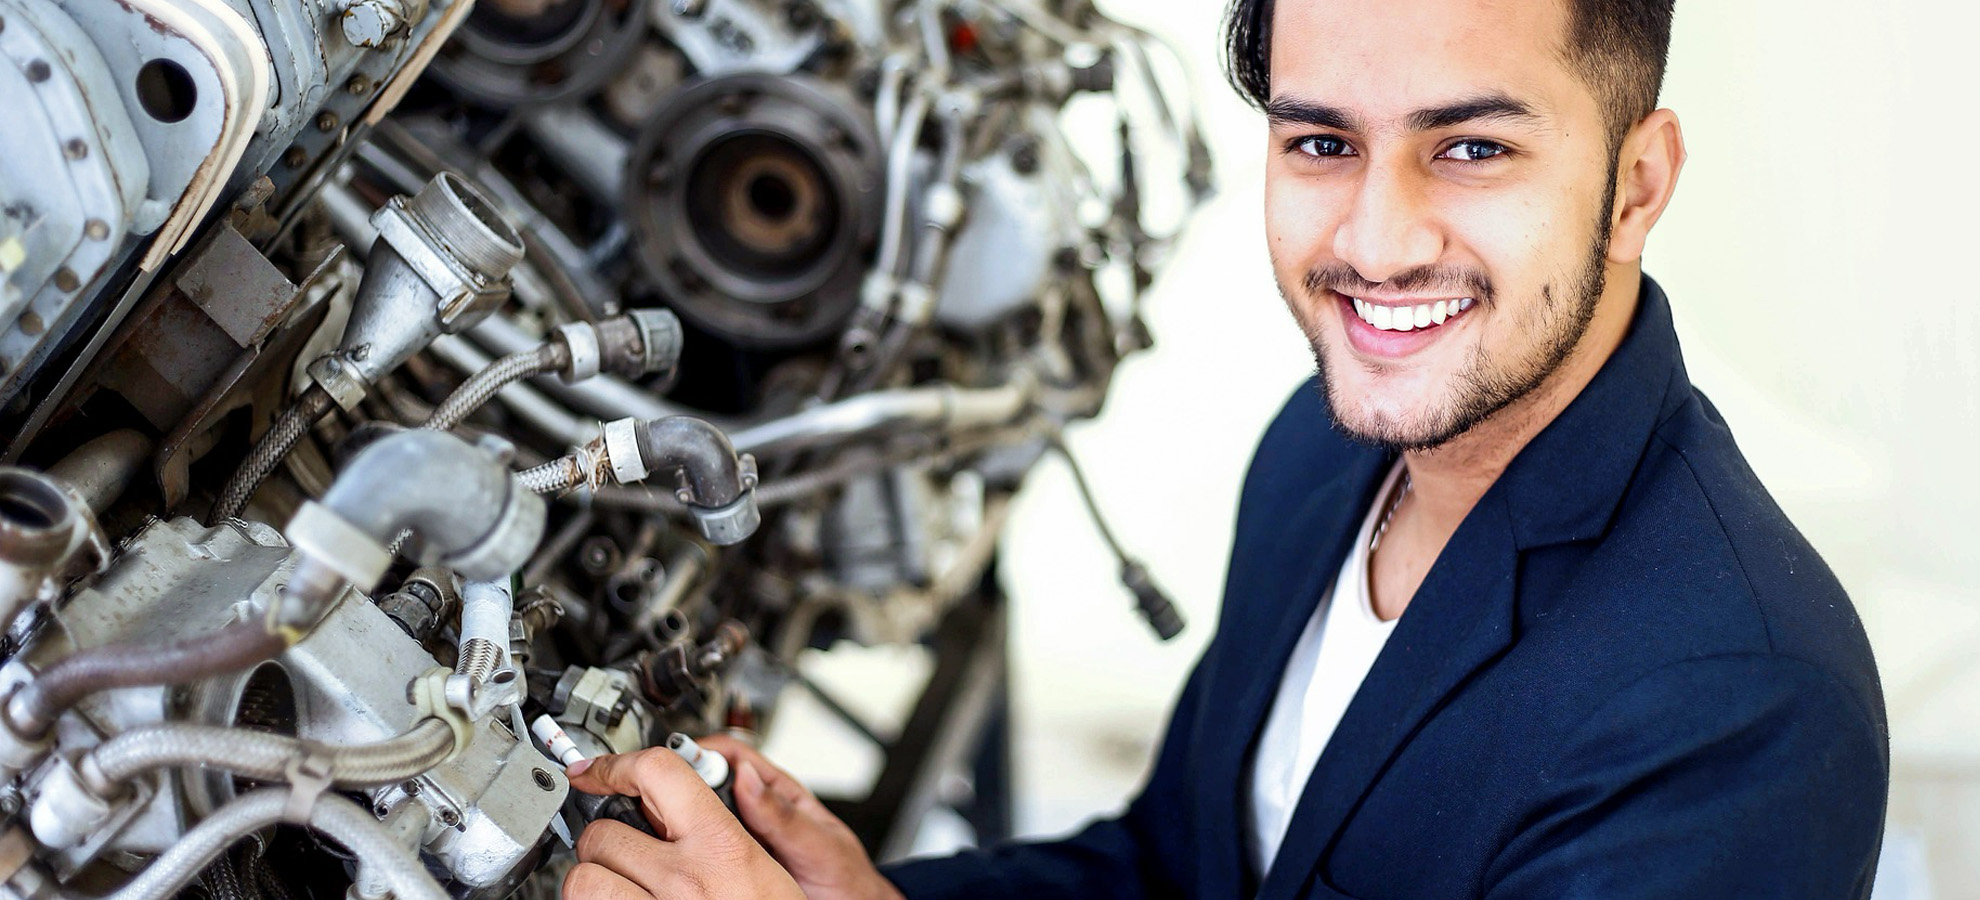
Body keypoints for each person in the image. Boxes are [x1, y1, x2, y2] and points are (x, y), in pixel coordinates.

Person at [556, 0, 1890, 897]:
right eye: (1322, 141)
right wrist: (860, 885)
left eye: (1472, 147)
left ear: (1637, 185)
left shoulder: (1738, 708)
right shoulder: (1327, 451)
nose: (1374, 242)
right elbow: (1179, 868)